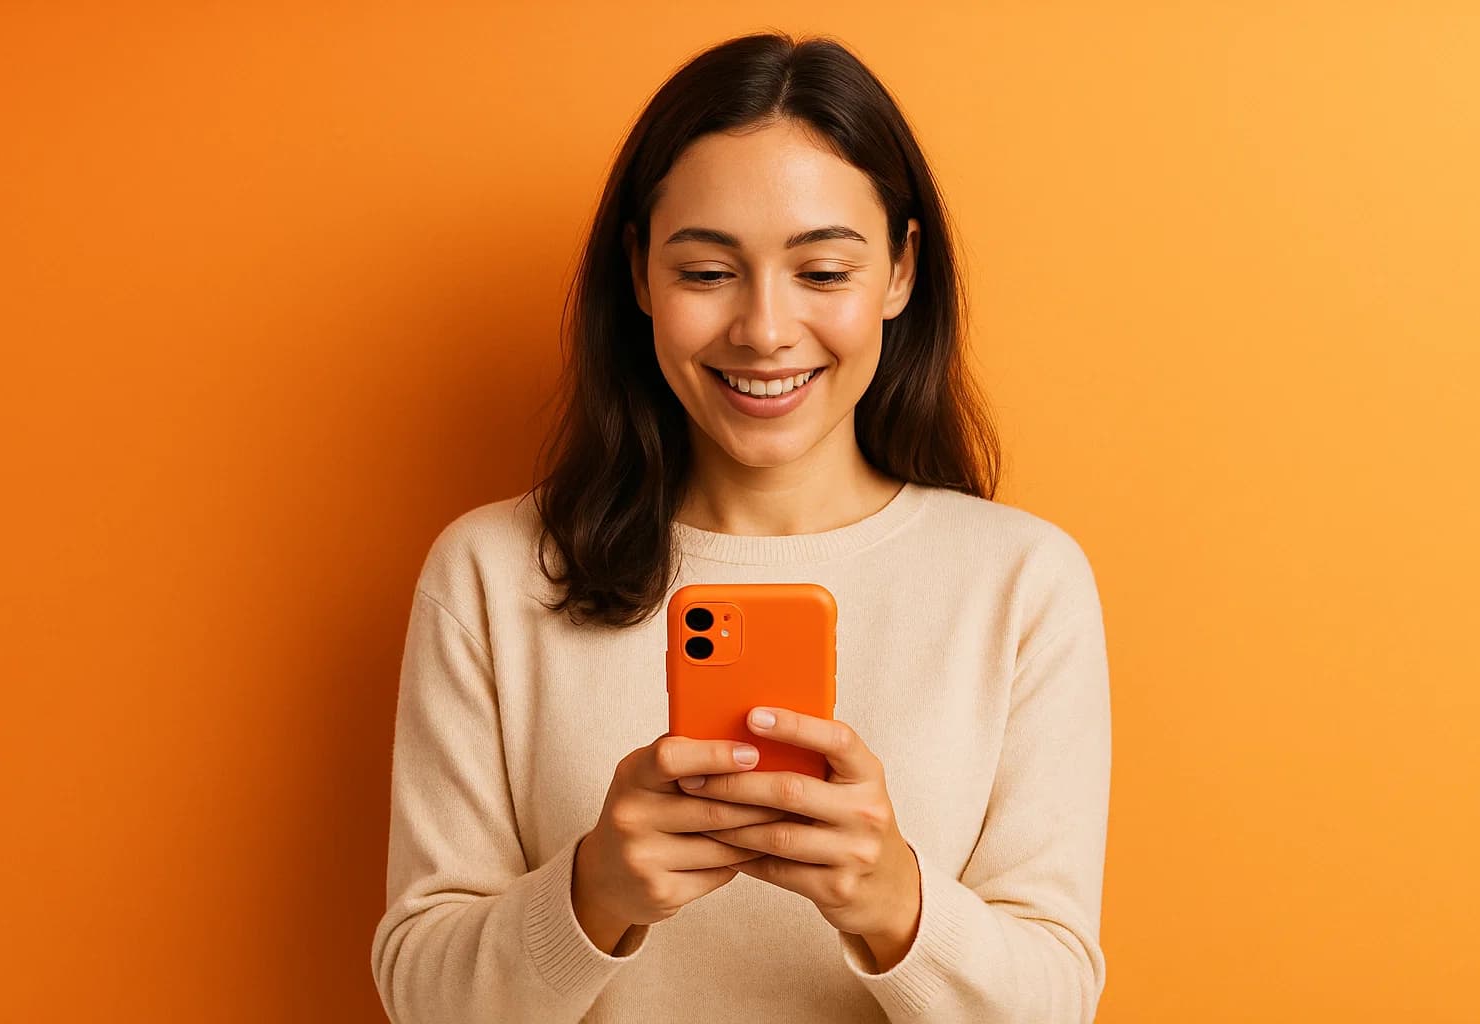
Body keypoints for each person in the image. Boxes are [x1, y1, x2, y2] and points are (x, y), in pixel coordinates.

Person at [370, 30, 1111, 1024]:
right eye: (708, 271)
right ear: (638, 274)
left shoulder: (1022, 583)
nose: (764, 328)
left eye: (823, 271)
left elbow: (1055, 1004)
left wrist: (897, 903)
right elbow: (422, 997)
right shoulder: (493, 575)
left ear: (899, 272)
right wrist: (593, 894)